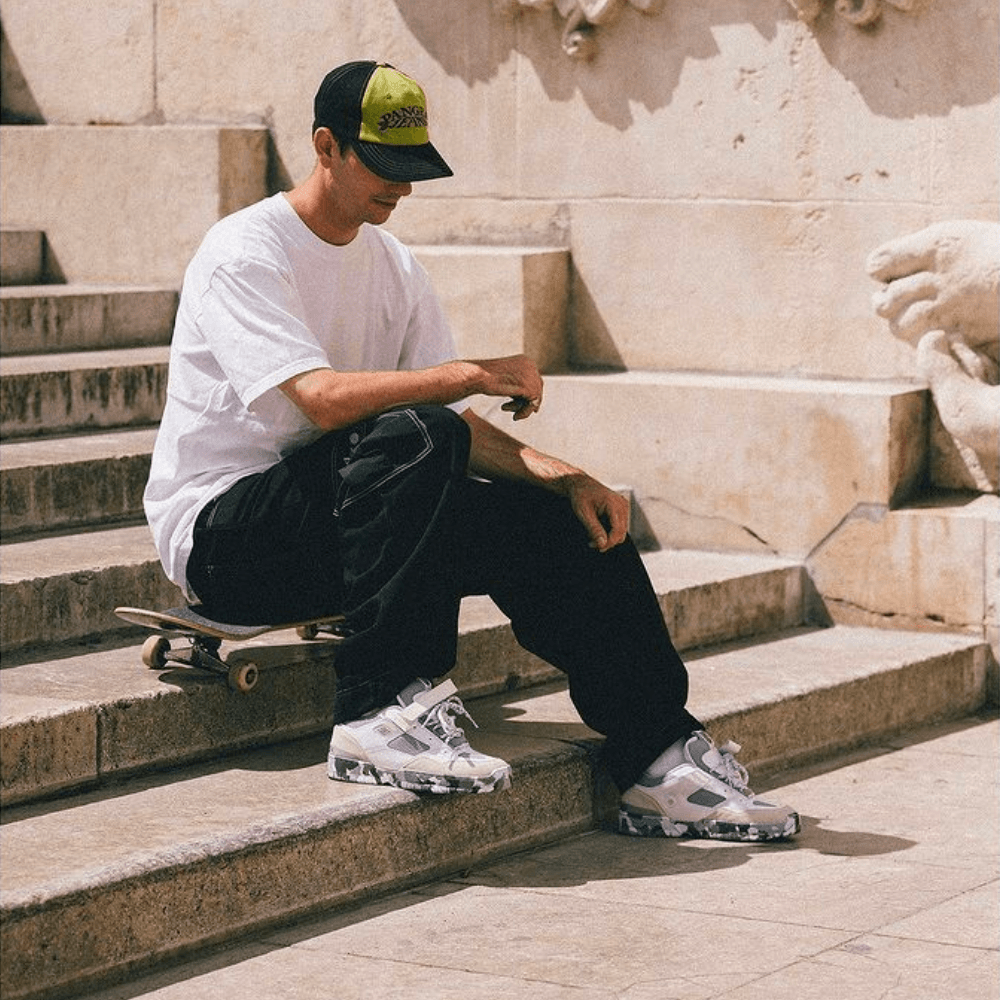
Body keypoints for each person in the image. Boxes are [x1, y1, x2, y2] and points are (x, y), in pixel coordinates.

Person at [144, 60, 799, 842]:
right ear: (325, 147)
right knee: (420, 431)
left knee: (560, 522)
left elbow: (448, 426)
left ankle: (658, 759)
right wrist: (465, 374)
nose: (402, 187)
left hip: (353, 529)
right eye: (382, 166)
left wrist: (564, 479)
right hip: (229, 543)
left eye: (412, 168)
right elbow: (320, 399)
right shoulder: (245, 251)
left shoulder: (394, 266)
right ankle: (378, 712)